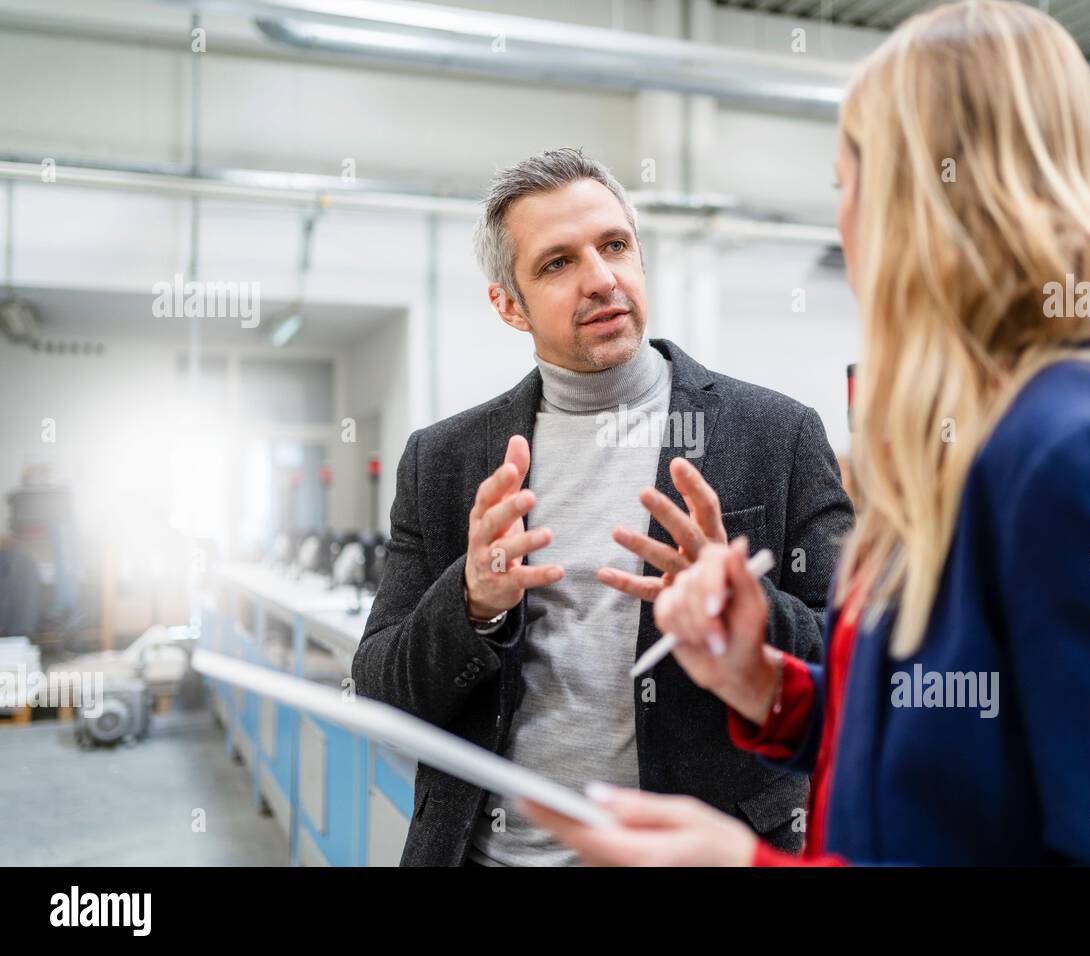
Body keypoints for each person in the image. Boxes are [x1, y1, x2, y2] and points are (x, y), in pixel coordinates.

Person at [522, 0, 1090, 866]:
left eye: (848, 183)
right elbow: (941, 749)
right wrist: (763, 684)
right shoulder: (963, 441)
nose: (843, 220)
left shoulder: (1073, 461)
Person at [352, 147, 854, 866]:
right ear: (507, 304)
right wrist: (470, 603)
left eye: (614, 245)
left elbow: (857, 665)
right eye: (557, 263)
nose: (600, 279)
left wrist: (746, 607)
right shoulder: (444, 460)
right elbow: (380, 690)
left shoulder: (776, 435)